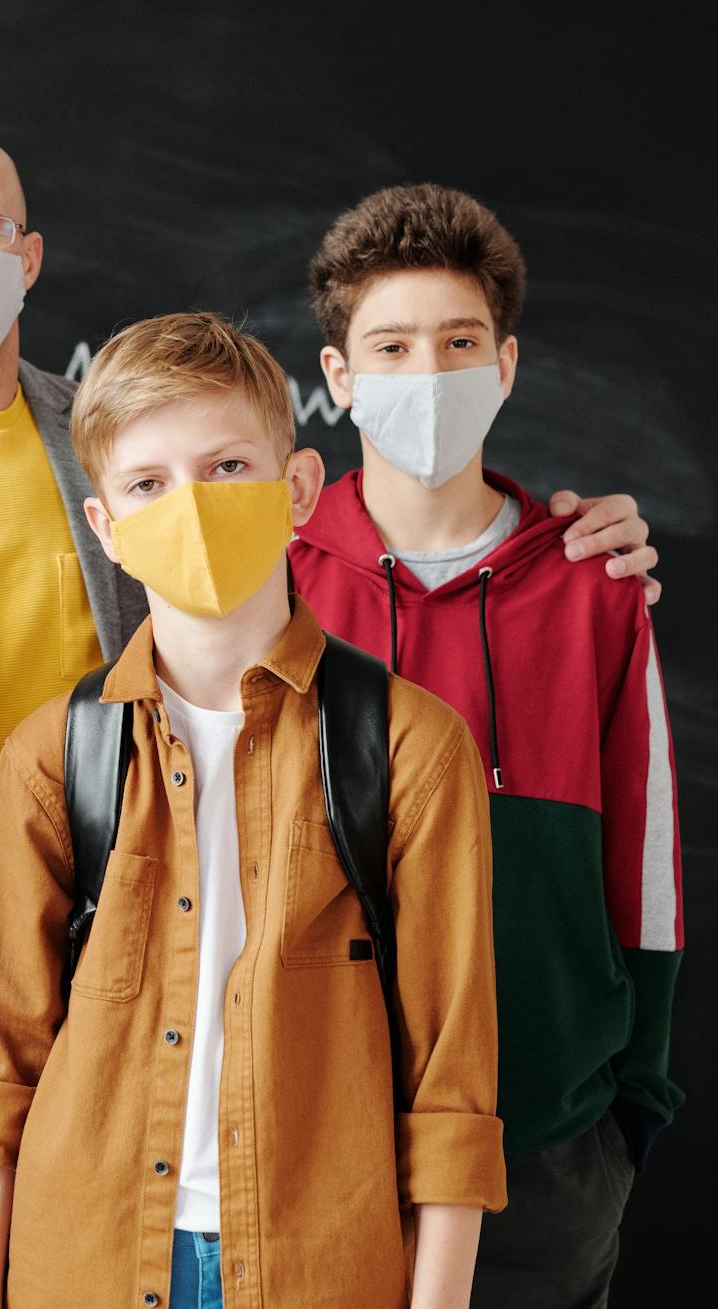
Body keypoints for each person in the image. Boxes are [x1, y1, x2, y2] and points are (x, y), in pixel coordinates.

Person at [0, 124, 657, 1276]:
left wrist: (555, 540)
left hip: (299, 1141)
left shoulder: (117, 437)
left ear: (27, 253)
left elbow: (292, 543)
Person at [0, 313, 504, 1309]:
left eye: (226, 467)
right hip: (85, 1260)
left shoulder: (409, 747)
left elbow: (449, 1080)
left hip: (317, 1267)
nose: (190, 507)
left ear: (294, 489)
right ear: (105, 528)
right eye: (147, 486)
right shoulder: (50, 756)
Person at [291, 184, 681, 1308]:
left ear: (503, 366)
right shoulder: (276, 582)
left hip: (543, 1143)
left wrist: (629, 1110)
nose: (426, 374)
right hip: (327, 1130)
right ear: (337, 378)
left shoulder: (595, 585)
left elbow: (645, 875)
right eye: (391, 345)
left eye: (457, 343)